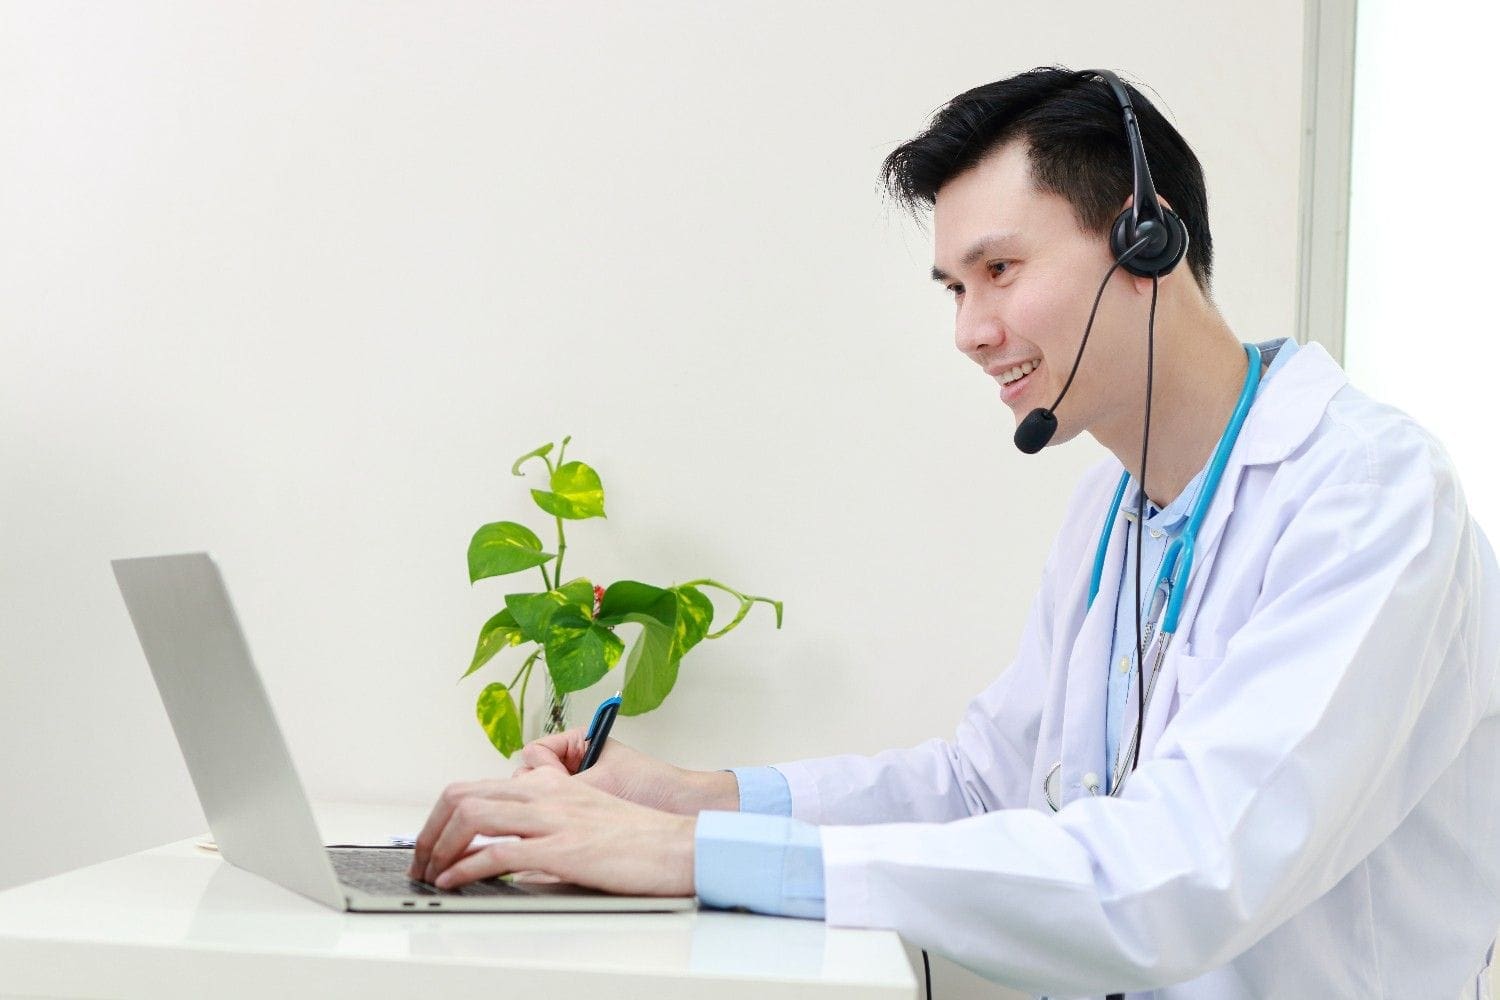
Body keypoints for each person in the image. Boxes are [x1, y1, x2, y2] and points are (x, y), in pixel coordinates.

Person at [407, 66, 1500, 998]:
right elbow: (986, 785)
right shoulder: (1114, 509)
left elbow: (1182, 871)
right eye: (954, 288)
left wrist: (689, 853)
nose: (971, 332)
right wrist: (696, 797)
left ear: (1145, 238)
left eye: (1000, 271)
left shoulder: (1368, 497)